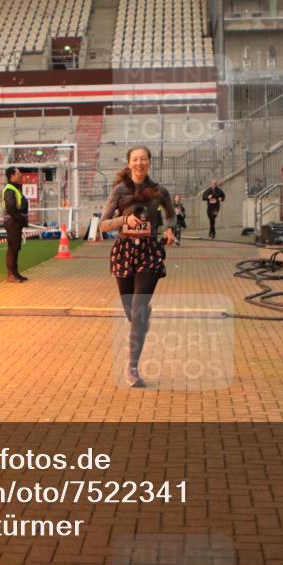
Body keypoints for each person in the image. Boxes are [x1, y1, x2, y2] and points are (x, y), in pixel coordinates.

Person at [100, 145, 176, 387]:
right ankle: (142, 320)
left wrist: (171, 229)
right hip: (124, 252)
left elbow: (171, 214)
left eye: (143, 159)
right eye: (135, 159)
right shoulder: (119, 191)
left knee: (138, 308)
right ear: (129, 163)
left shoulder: (158, 191)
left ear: (149, 162)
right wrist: (125, 220)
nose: (139, 163)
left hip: (149, 253)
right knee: (133, 313)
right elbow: (103, 224)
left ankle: (132, 367)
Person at [2, 166, 29, 282]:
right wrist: (21, 219)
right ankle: (11, 275)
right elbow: (11, 209)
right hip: (13, 222)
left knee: (16, 247)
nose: (21, 175)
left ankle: (15, 273)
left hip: (16, 222)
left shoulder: (15, 188)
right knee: (13, 248)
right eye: (18, 173)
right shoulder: (9, 189)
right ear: (12, 176)